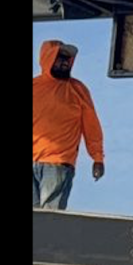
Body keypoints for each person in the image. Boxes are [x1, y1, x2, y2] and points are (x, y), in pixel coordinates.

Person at [33, 40, 105, 210]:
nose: (65, 62)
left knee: (51, 219)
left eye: (68, 58)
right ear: (47, 58)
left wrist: (97, 158)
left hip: (58, 163)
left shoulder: (78, 90)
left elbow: (91, 126)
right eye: (60, 57)